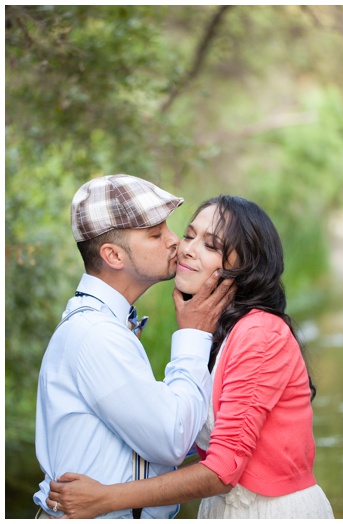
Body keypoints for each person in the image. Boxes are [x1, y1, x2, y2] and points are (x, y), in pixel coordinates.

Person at [46, 195, 335, 519]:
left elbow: (221, 470)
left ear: (244, 267)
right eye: (189, 235)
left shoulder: (260, 333)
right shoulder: (212, 333)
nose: (186, 248)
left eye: (210, 245)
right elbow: (175, 434)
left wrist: (107, 498)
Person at [33, 174, 235, 519]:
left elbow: (157, 436)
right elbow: (169, 441)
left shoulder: (104, 324)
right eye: (156, 235)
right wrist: (193, 336)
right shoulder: (96, 334)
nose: (176, 242)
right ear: (113, 255)